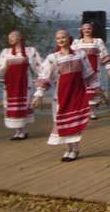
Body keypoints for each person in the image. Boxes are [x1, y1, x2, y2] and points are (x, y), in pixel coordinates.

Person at [33, 29, 96, 162]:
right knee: (63, 121)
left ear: (69, 38)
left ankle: (75, 149)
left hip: (77, 93)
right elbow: (45, 76)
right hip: (61, 94)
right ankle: (69, 148)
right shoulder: (53, 58)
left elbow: (88, 72)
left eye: (63, 37)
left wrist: (95, 87)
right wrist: (39, 94)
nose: (61, 40)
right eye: (58, 38)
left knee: (74, 120)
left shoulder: (80, 54)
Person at [0, 30, 43, 140]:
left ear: (19, 38)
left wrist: (44, 77)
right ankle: (18, 131)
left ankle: (22, 131)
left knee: (23, 106)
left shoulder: (29, 51)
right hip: (11, 83)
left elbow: (39, 66)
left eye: (12, 37)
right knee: (12, 107)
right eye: (9, 37)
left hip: (24, 83)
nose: (9, 39)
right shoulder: (6, 52)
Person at [71, 22, 110, 120]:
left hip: (94, 71)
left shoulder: (98, 42)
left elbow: (104, 54)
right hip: (80, 71)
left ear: (92, 30)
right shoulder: (77, 43)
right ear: (81, 30)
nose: (86, 30)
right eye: (84, 29)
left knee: (94, 91)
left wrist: (109, 68)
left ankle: (92, 111)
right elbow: (71, 56)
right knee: (82, 91)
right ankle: (84, 111)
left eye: (89, 28)